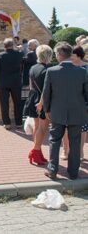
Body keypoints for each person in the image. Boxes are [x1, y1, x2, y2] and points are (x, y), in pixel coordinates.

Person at [43, 42, 88, 180]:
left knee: (54, 140)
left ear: (59, 55)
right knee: (75, 142)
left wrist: (47, 110)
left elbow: (46, 93)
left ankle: (52, 170)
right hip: (77, 112)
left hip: (57, 112)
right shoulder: (82, 72)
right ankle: (73, 172)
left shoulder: (51, 71)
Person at [24, 45, 53, 165]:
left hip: (32, 97)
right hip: (42, 100)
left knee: (37, 127)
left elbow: (31, 86)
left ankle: (38, 152)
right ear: (49, 55)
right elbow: (46, 90)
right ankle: (35, 151)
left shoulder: (33, 68)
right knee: (43, 128)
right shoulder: (47, 70)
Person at [0, 38, 24, 130]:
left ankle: (7, 123)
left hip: (3, 83)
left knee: (4, 104)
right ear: (12, 45)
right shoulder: (19, 54)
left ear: (4, 46)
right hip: (16, 82)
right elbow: (22, 67)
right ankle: (19, 123)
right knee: (18, 103)